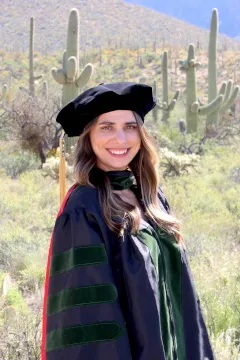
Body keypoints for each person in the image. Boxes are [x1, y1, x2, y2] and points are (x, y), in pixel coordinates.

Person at [41, 82, 214, 360]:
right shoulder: (84, 207)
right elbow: (91, 319)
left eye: (130, 127)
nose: (121, 139)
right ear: (89, 137)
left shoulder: (151, 196)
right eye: (107, 127)